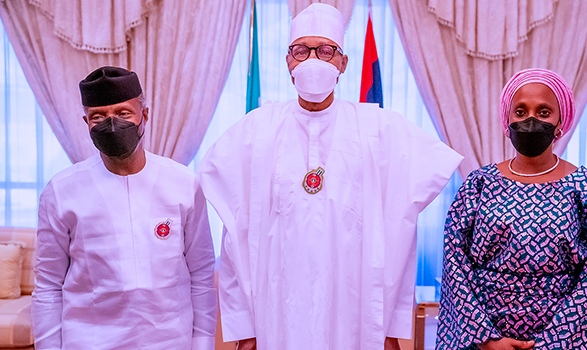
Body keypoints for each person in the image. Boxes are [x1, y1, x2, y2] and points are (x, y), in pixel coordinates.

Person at [197, 4, 463, 350]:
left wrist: (391, 326)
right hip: (278, 310)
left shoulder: (379, 129)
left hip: (354, 308)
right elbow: (234, 240)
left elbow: (403, 225)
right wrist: (243, 329)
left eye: (325, 51)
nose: (312, 60)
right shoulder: (255, 131)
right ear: (288, 61)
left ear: (342, 62)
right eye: (301, 50)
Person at [32, 66, 217, 349]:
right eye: (99, 116)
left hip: (169, 340)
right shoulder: (61, 191)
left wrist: (202, 342)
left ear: (145, 115)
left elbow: (201, 275)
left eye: (123, 113)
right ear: (86, 122)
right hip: (89, 341)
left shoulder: (183, 184)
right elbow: (47, 286)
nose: (112, 123)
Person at [435, 68, 587, 349]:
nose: (531, 120)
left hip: (564, 339)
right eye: (520, 112)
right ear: (507, 122)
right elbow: (455, 263)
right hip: (484, 340)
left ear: (561, 122)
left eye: (544, 112)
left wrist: (552, 343)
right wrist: (486, 339)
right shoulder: (478, 184)